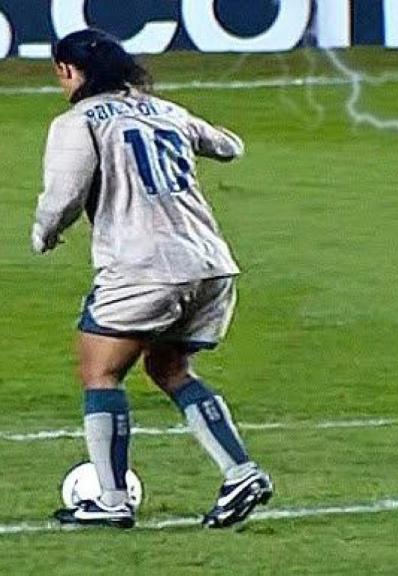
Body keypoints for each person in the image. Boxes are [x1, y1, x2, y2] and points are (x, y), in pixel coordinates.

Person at [33, 29, 272, 529]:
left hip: (146, 266)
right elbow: (228, 147)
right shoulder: (166, 111)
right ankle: (241, 473)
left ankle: (111, 500)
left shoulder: (76, 122)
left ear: (69, 72)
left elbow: (65, 193)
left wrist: (45, 232)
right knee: (169, 368)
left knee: (100, 371)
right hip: (210, 264)